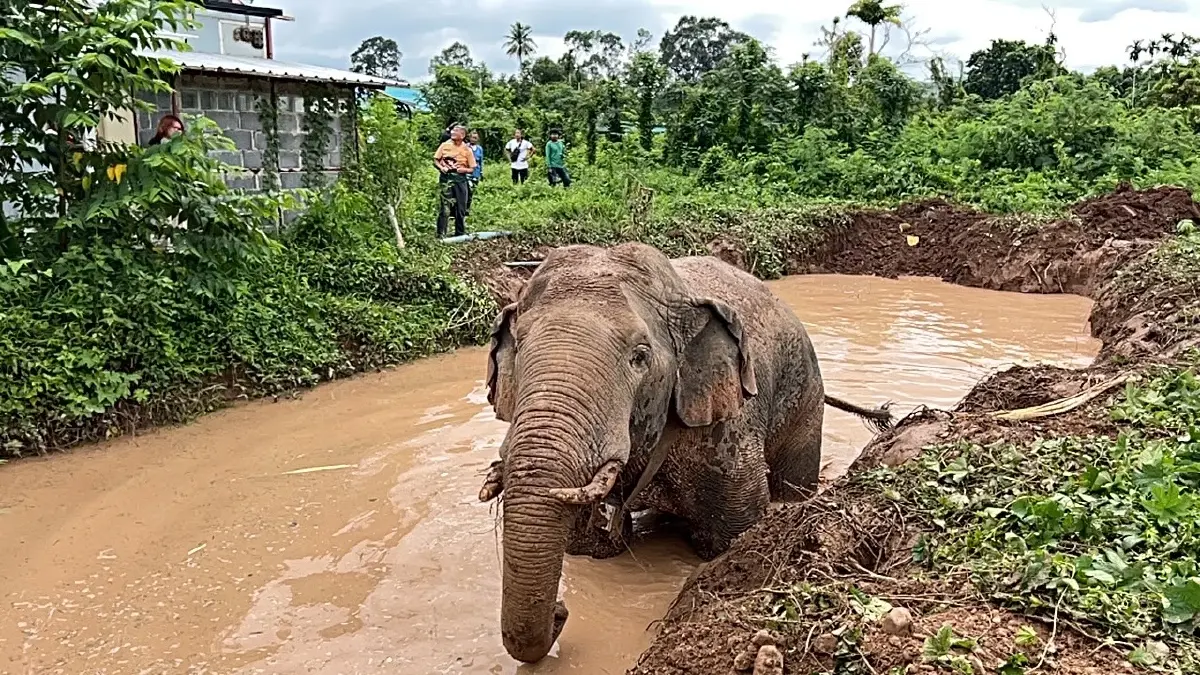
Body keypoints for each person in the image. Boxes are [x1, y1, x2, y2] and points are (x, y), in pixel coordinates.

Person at [433, 125, 476, 238]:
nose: (452, 132)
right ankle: (441, 234)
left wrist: (464, 170)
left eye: (456, 131)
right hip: (446, 179)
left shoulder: (467, 149)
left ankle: (459, 233)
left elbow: (472, 168)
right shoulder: (444, 145)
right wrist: (441, 168)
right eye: (452, 130)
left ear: (462, 135)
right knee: (445, 207)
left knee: (461, 207)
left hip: (460, 180)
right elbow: (436, 160)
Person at [467, 130, 484, 214]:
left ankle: (468, 208)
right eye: (473, 137)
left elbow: (481, 161)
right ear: (470, 138)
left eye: (476, 138)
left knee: (472, 190)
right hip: (467, 171)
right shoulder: (466, 147)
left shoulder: (479, 149)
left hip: (476, 172)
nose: (474, 139)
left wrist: (481, 172)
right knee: (466, 190)